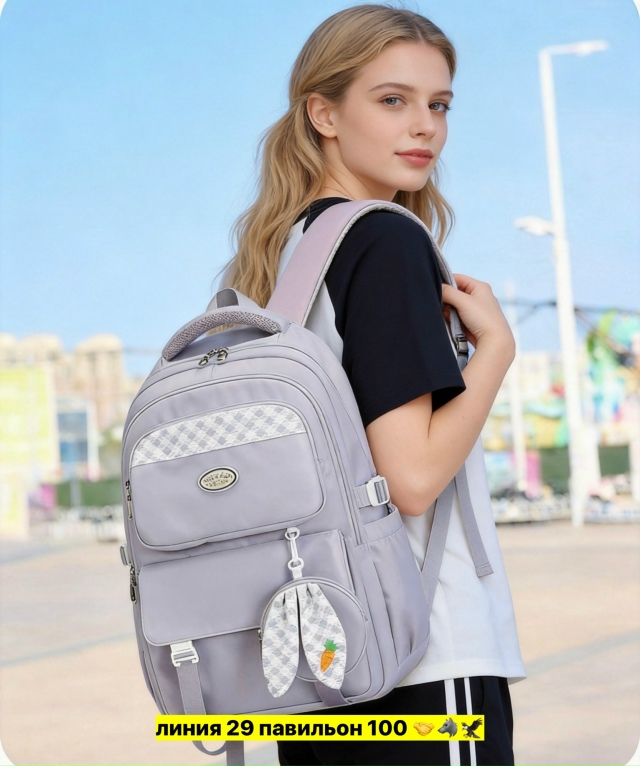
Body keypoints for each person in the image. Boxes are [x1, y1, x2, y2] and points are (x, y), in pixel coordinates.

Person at [224, 5, 525, 765]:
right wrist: (495, 350)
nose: (424, 126)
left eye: (439, 104)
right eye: (393, 100)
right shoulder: (384, 241)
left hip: (316, 662)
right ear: (323, 113)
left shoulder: (286, 258)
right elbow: (412, 478)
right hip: (421, 652)